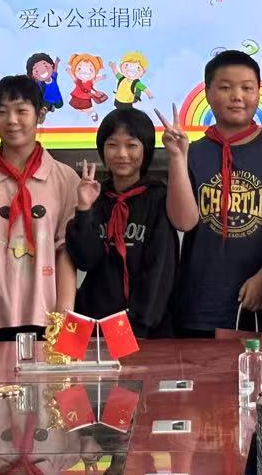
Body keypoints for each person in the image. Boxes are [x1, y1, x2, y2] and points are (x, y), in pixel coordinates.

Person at [159, 50, 262, 338]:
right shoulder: (194, 153)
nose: (237, 96)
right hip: (199, 305)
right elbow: (183, 222)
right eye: (225, 87)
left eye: (247, 88)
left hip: (261, 306)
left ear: (259, 93)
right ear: (208, 93)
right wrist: (178, 158)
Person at [0, 75, 78, 339]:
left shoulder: (65, 178)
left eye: (21, 111)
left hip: (46, 317)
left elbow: (66, 253)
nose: (11, 120)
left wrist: (64, 318)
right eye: (1, 112)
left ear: (41, 115)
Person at [64, 109, 177, 337]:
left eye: (131, 145)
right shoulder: (95, 196)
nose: (122, 154)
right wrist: (84, 209)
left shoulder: (159, 197)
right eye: (112, 145)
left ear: (146, 149)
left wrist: (138, 326)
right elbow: (86, 260)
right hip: (96, 326)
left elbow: (160, 268)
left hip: (145, 330)